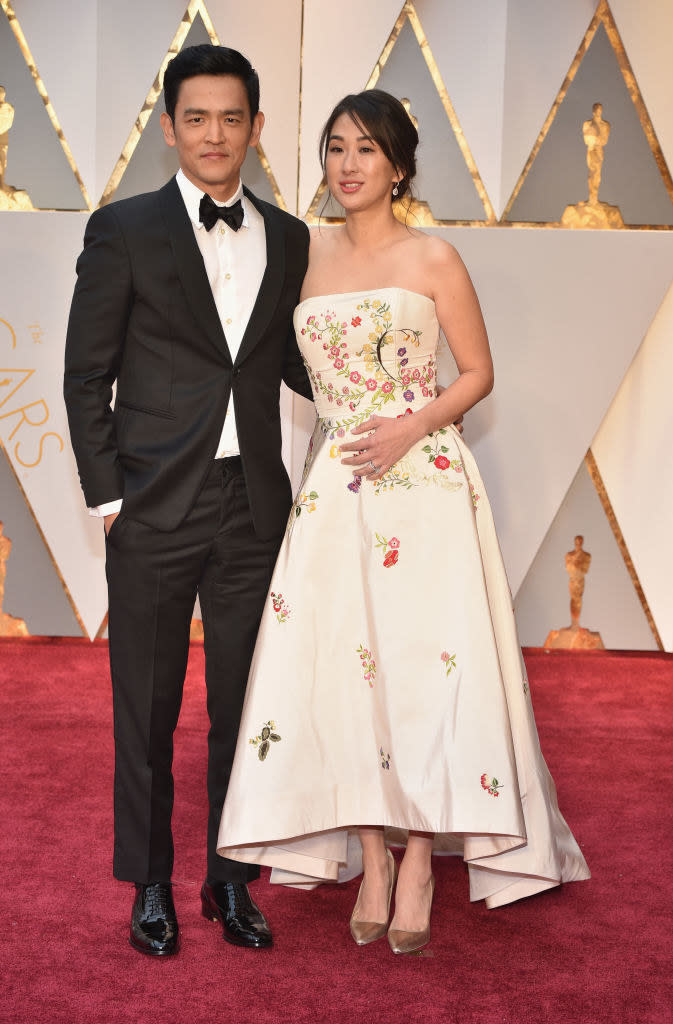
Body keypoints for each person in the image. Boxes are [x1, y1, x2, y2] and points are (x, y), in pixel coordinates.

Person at [217, 89, 590, 954]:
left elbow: (477, 373)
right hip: (335, 492)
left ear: (397, 165)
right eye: (335, 148)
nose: (348, 165)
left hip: (420, 484)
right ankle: (373, 859)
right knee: (351, 674)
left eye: (366, 150)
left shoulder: (434, 258)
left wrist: (409, 425)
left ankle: (421, 855)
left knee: (426, 669)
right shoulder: (300, 258)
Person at [63, 44, 313, 956]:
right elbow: (86, 373)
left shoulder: (289, 236)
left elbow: (291, 359)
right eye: (196, 117)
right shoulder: (122, 228)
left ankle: (228, 880)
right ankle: (151, 885)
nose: (215, 134)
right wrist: (108, 502)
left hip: (254, 506)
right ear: (170, 127)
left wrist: (376, 387)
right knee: (148, 708)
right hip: (153, 505)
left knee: (246, 705)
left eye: (232, 117)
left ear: (254, 127)